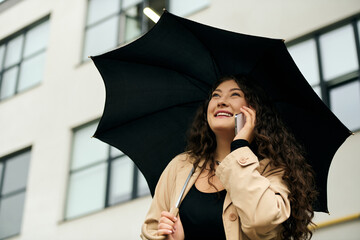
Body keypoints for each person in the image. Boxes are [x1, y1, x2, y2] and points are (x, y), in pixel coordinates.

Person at [141, 75, 317, 240]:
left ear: (253, 111)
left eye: (235, 95)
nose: (221, 101)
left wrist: (240, 146)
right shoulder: (181, 166)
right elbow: (151, 230)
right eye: (215, 95)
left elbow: (262, 221)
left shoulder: (273, 170)